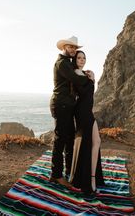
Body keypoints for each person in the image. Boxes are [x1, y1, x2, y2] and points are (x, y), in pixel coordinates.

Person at [50, 36, 94, 187]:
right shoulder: (62, 63)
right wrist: (88, 78)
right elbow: (76, 79)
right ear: (64, 47)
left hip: (68, 106)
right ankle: (56, 175)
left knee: (69, 140)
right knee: (60, 139)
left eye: (75, 48)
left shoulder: (68, 62)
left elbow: (75, 77)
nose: (73, 50)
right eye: (71, 47)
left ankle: (70, 170)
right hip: (60, 105)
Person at [69, 50, 104, 194]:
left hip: (87, 111)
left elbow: (89, 93)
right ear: (75, 59)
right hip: (82, 113)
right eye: (79, 58)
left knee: (96, 142)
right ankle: (90, 180)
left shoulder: (84, 74)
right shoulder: (76, 73)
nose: (82, 60)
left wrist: (92, 79)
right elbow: (84, 93)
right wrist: (91, 79)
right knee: (90, 144)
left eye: (84, 58)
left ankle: (91, 178)